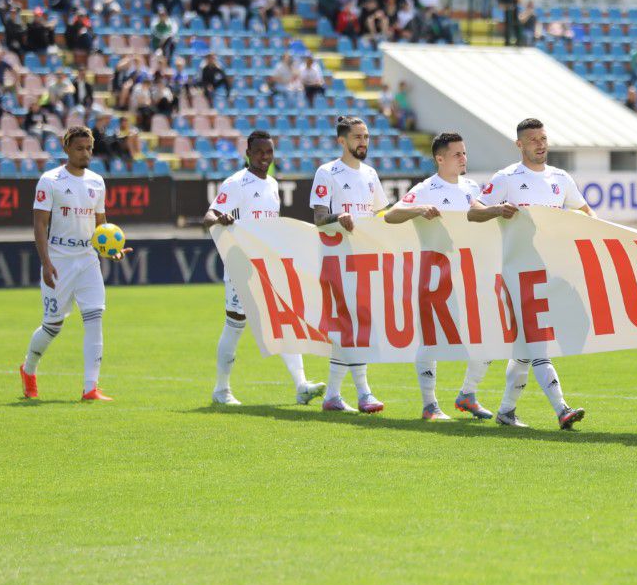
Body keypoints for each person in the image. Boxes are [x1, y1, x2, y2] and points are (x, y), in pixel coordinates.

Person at [466, 118, 592, 431]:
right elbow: (473, 210)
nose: (540, 144)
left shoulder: (560, 178)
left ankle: (507, 412)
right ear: (520, 145)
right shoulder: (507, 177)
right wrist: (497, 210)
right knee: (537, 343)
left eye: (543, 138)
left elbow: (587, 215)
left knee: (524, 350)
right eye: (533, 139)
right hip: (518, 273)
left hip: (552, 272)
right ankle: (561, 409)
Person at [202, 130, 326, 406]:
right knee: (235, 324)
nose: (264, 157)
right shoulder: (236, 183)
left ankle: (301, 385)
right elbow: (209, 215)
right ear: (248, 153)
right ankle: (221, 390)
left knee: (285, 320)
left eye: (269, 152)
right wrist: (219, 218)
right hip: (241, 264)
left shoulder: (271, 183)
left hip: (269, 264)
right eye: (259, 152)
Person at [383, 132, 496, 421]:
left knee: (490, 335)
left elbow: (478, 213)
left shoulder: (470, 187)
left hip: (469, 272)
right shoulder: (426, 189)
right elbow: (391, 215)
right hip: (436, 275)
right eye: (457, 154)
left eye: (464, 153)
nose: (463, 159)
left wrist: (500, 211)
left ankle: (468, 394)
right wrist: (419, 209)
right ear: (440, 158)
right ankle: (429, 405)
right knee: (432, 339)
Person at [19, 126, 131, 403]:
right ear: (66, 148)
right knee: (52, 326)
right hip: (58, 260)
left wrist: (110, 250)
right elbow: (39, 225)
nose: (85, 154)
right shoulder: (50, 180)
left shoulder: (96, 182)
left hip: (87, 259)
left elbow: (100, 225)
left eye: (89, 148)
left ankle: (90, 388)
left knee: (94, 317)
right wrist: (45, 262)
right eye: (79, 148)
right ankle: (28, 369)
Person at [309, 116, 390, 414]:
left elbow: (381, 214)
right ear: (342, 141)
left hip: (365, 257)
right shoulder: (327, 172)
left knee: (352, 324)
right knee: (355, 322)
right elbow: (319, 218)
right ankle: (364, 392)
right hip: (337, 257)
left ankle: (332, 395)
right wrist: (338, 218)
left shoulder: (370, 174)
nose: (363, 142)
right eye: (357, 137)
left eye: (366, 136)